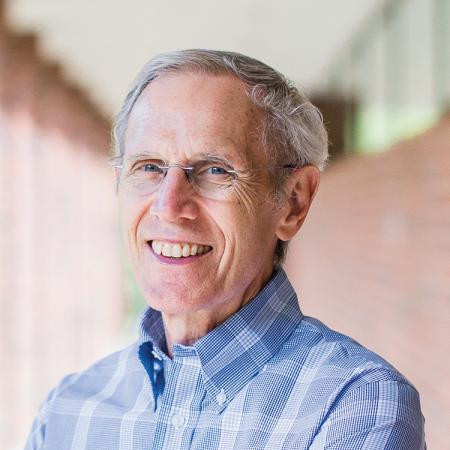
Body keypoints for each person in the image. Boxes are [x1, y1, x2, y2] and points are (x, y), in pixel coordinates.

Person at [25, 49, 425, 450]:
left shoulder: (355, 407)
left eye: (215, 170)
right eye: (148, 167)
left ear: (293, 202)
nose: (168, 205)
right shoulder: (67, 412)